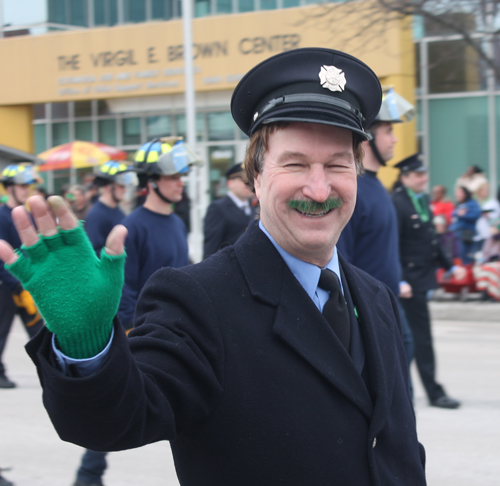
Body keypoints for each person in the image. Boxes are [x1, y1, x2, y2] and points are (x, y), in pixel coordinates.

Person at [0, 48, 426, 485]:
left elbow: (397, 446)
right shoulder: (198, 299)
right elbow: (118, 420)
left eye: (337, 165)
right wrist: (87, 344)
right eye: (295, 164)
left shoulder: (376, 298)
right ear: (256, 178)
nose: (319, 189)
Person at [336, 87, 415, 374]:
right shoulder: (354, 190)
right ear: (368, 138)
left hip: (389, 303)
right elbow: (342, 259)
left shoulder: (377, 184)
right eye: (388, 132)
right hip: (368, 312)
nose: (395, 140)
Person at [72, 161, 136, 486]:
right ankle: (88, 474)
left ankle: (89, 473)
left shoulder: (119, 214)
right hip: (113, 314)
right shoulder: (98, 217)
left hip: (127, 311)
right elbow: (96, 267)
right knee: (109, 397)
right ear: (107, 185)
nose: (125, 187)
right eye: (120, 183)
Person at [392, 153, 465, 409]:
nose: (424, 178)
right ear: (406, 177)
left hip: (422, 279)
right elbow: (393, 245)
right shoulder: (398, 203)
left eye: (424, 174)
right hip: (408, 282)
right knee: (418, 339)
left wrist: (449, 266)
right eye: (419, 174)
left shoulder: (421, 200)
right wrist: (400, 280)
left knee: (416, 338)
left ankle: (420, 389)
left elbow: (432, 240)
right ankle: (433, 392)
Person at [117, 137, 198, 331]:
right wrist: (130, 331)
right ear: (151, 182)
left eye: (181, 176)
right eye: (173, 177)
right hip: (146, 329)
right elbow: (123, 287)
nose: (181, 183)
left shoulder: (177, 222)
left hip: (176, 326)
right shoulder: (132, 226)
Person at [0, 163, 44, 389]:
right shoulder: (1, 215)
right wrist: (16, 287)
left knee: (40, 331)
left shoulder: (26, 215)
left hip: (27, 284)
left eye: (28, 185)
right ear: (9, 188)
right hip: (6, 287)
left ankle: (52, 371)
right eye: (21, 186)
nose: (26, 190)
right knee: (1, 331)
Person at [203, 163, 256, 259]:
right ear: (230, 183)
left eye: (250, 179)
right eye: (242, 180)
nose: (248, 184)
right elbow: (212, 245)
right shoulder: (218, 208)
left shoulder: (253, 207)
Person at [84, 161, 136, 255]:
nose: (125, 190)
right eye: (121, 186)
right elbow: (93, 253)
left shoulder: (117, 210)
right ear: (108, 187)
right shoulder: (96, 215)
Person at [449, 186, 481, 264]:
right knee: (456, 256)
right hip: (456, 234)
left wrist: (464, 214)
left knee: (465, 257)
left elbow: (476, 214)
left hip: (467, 234)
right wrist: (458, 213)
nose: (456, 194)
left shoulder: (472, 203)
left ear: (464, 193)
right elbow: (453, 213)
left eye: (458, 192)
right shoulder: (459, 204)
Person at [473, 219, 500, 301]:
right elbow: (485, 252)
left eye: (492, 227)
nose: (490, 229)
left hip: (497, 262)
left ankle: (495, 294)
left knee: (490, 268)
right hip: (489, 262)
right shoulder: (489, 239)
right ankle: (485, 292)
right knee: (478, 268)